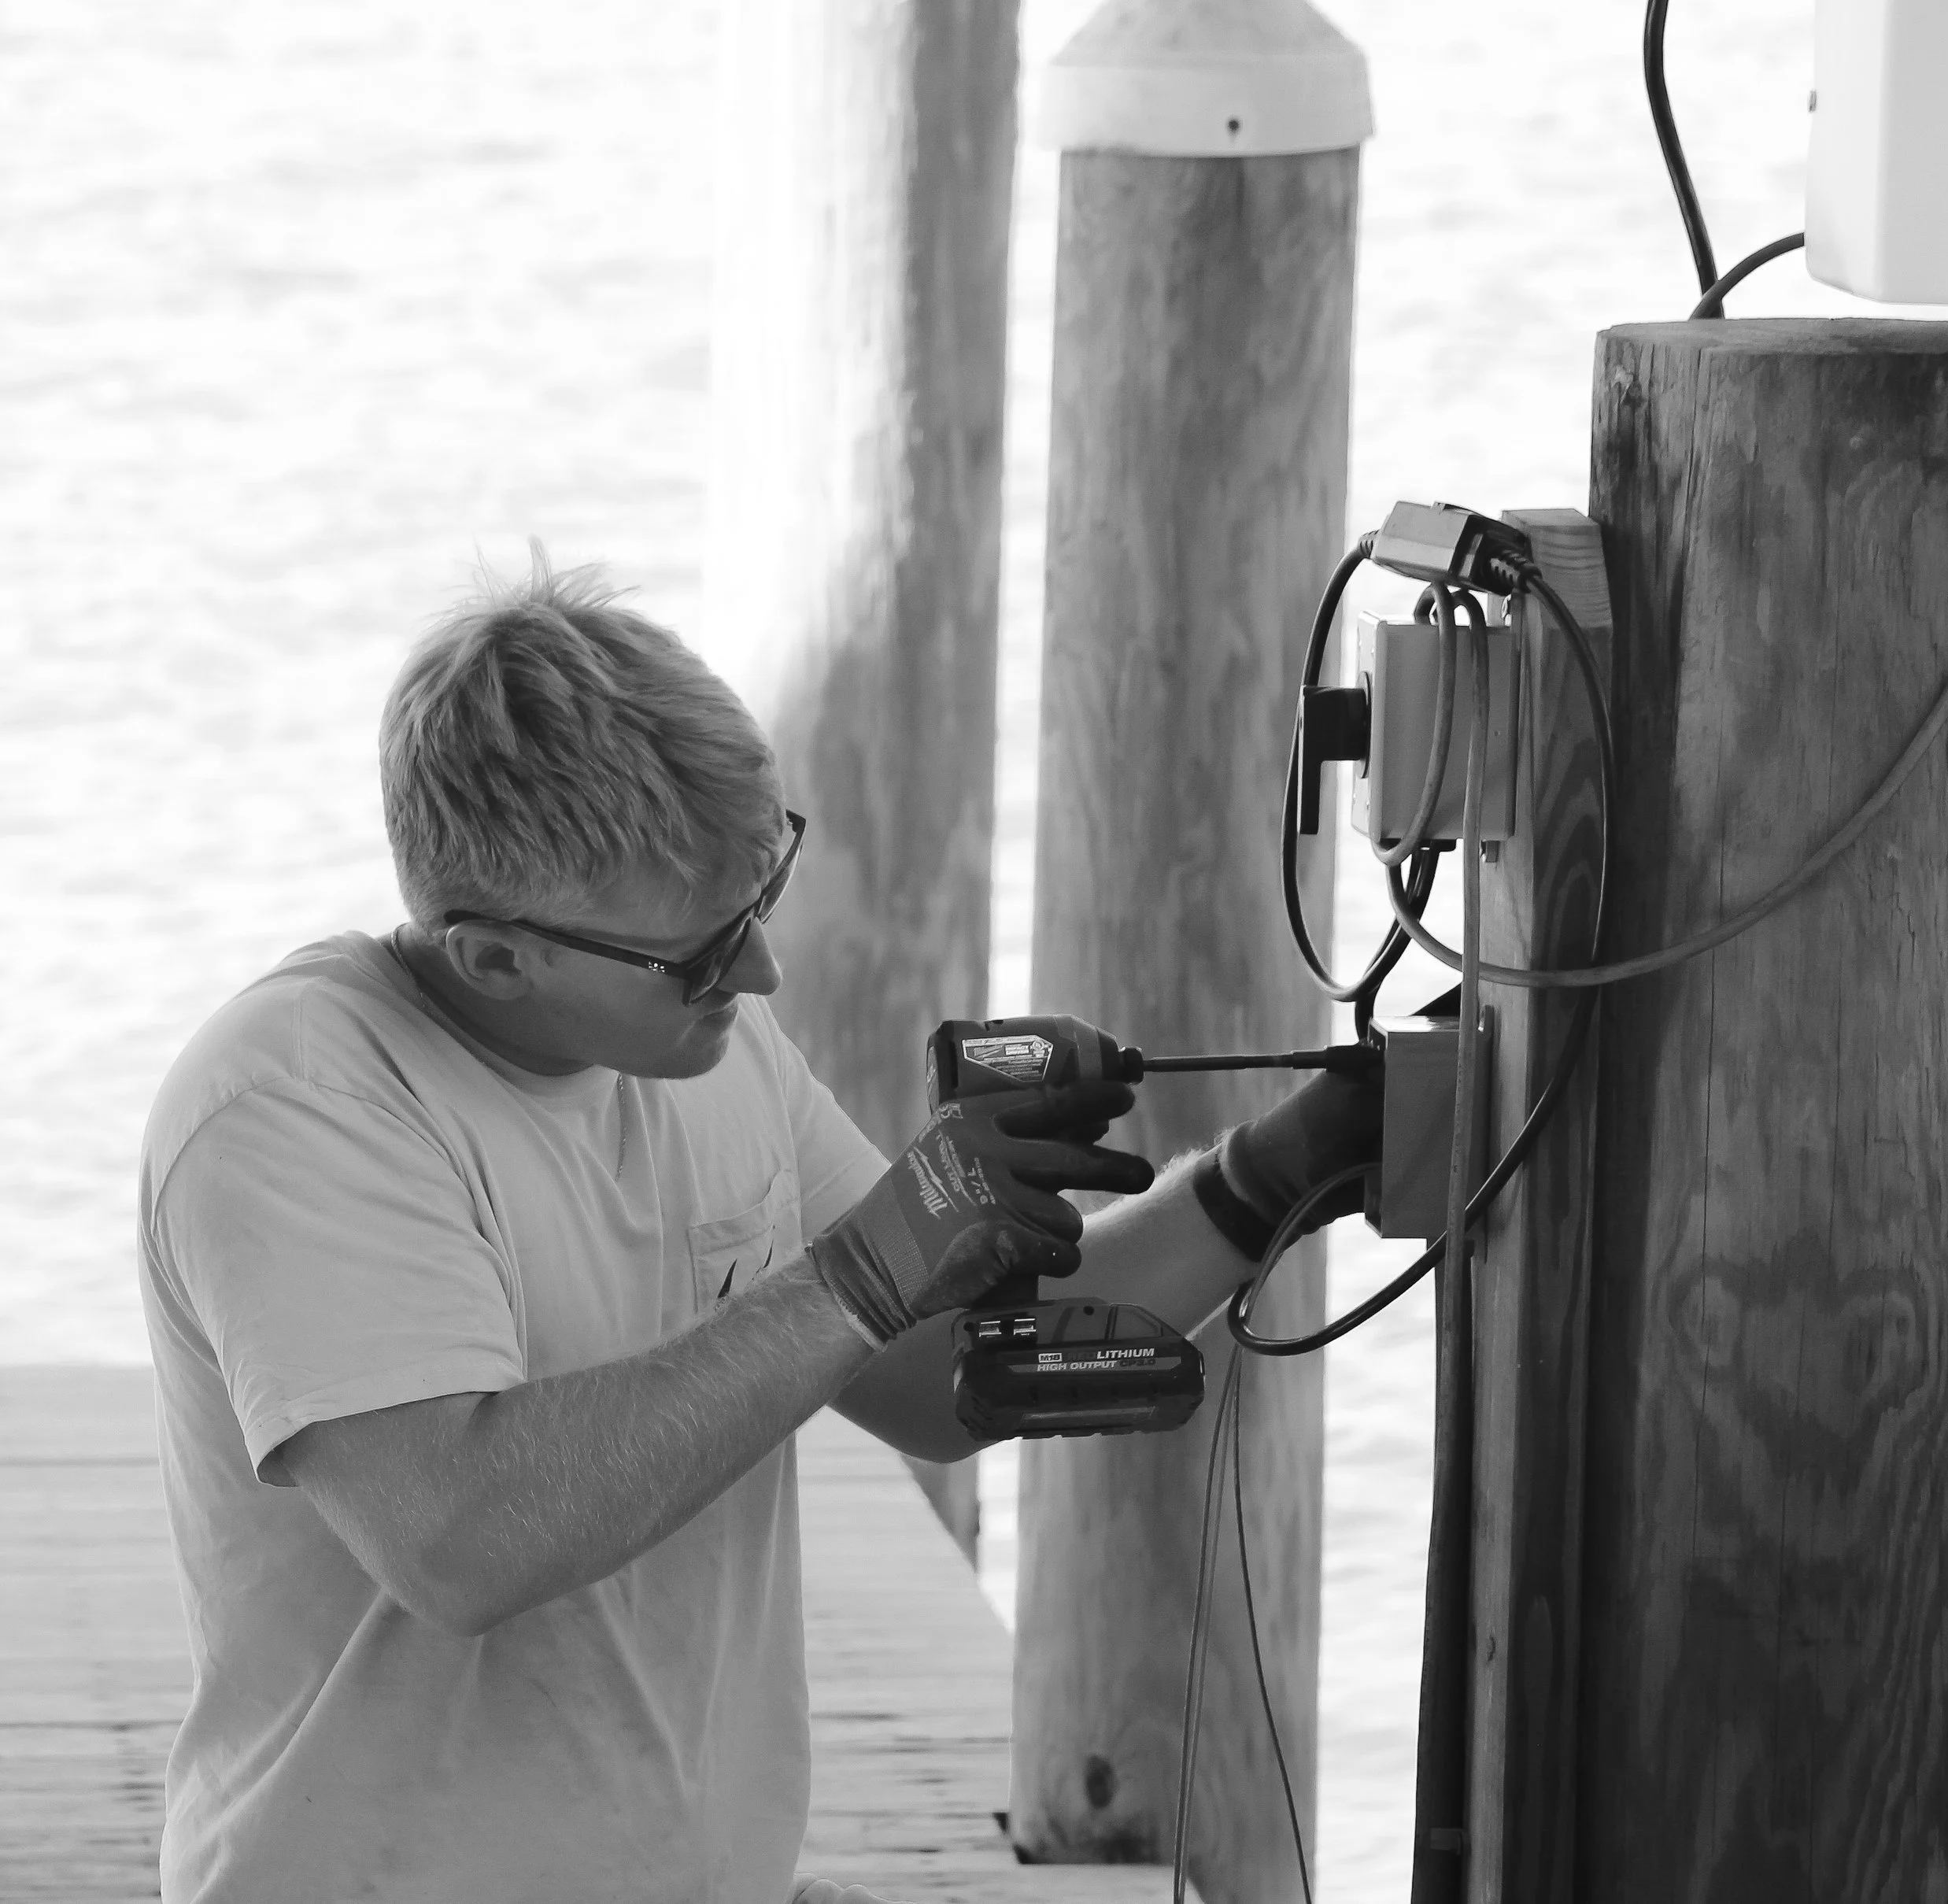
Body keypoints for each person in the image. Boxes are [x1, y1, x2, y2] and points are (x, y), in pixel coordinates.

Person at [137, 547, 1379, 1904]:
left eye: (764, 895)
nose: (764, 970)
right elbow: (461, 1538)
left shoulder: (710, 1047)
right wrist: (864, 1271)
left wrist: (1270, 1177)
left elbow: (942, 1378)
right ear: (494, 954)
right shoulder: (292, 1107)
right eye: (701, 953)